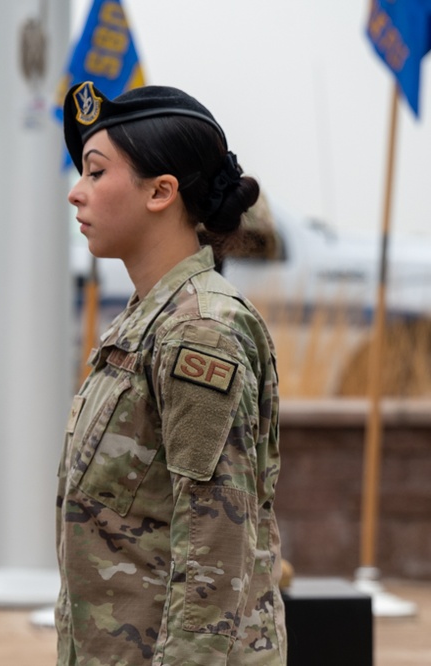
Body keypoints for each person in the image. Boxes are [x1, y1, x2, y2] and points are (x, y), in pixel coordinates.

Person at [56, 81, 285, 665]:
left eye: (95, 172)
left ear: (161, 191)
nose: (76, 194)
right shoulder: (151, 315)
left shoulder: (198, 331)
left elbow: (216, 536)